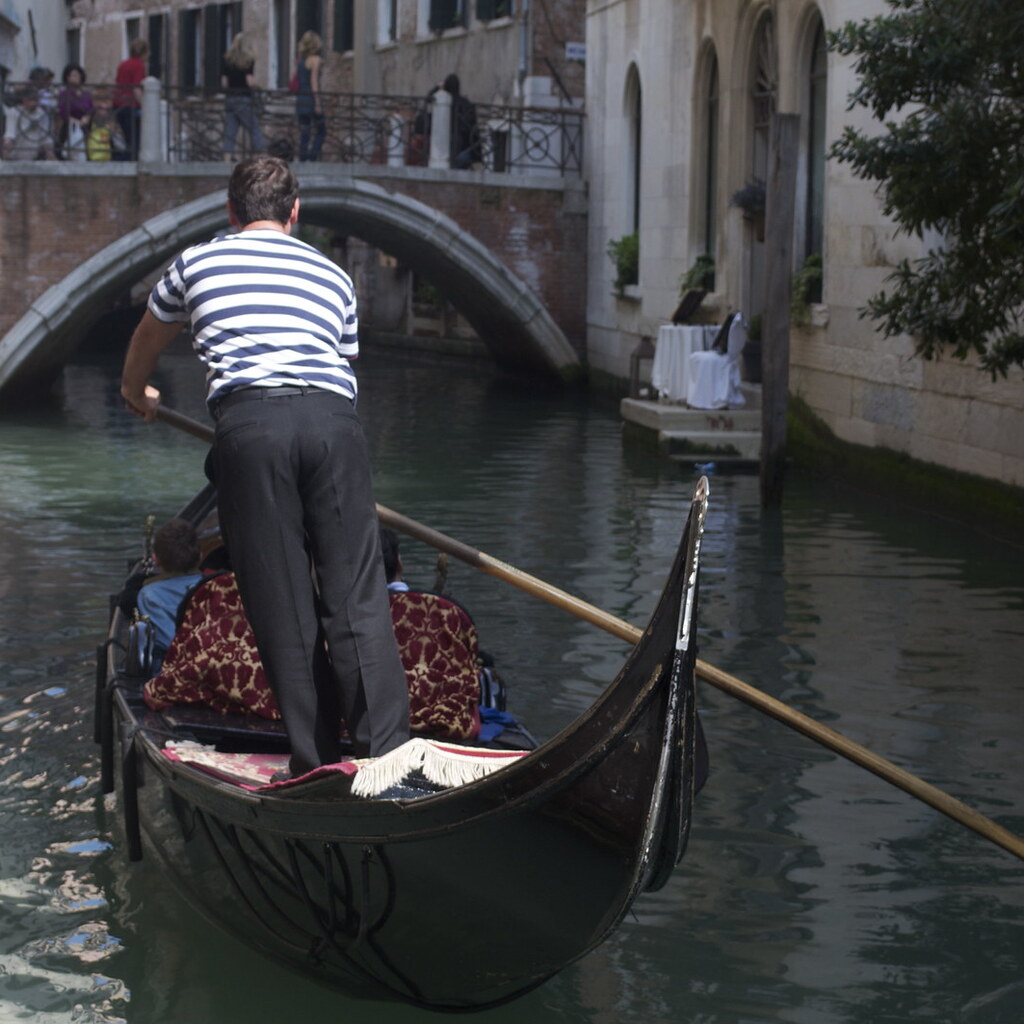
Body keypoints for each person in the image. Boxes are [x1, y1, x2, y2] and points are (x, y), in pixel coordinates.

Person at [120, 155, 410, 776]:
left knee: (281, 601)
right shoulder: (333, 275)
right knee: (356, 598)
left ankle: (315, 766)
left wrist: (134, 391)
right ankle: (388, 760)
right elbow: (342, 363)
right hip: (336, 427)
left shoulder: (196, 262)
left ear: (230, 212)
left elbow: (149, 334)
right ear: (294, 213)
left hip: (251, 428)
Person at [136, 518, 204, 672]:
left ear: (156, 560)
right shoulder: (214, 585)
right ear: (200, 555)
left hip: (174, 673)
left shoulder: (149, 594)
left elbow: (170, 644)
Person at [221, 32, 266, 160]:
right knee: (255, 128)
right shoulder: (248, 60)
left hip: (230, 99)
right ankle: (262, 157)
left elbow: (224, 83)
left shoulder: (227, 59)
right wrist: (259, 86)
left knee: (230, 131)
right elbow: (249, 81)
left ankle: (226, 159)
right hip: (244, 98)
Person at [113, 38, 149, 160]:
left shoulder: (123, 64)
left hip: (118, 105)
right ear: (144, 53)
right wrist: (146, 106)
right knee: (135, 143)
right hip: (130, 106)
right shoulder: (139, 65)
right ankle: (118, 163)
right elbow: (136, 89)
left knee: (129, 140)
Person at [294, 31, 325, 162]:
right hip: (310, 98)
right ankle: (312, 156)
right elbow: (314, 82)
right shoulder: (316, 60)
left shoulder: (300, 61)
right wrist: (318, 102)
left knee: (305, 131)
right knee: (322, 130)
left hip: (301, 98)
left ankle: (302, 158)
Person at [2, 86, 57, 161]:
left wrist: (51, 155)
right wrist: (6, 151)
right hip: (16, 154)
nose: (34, 103)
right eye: (31, 100)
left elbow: (45, 138)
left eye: (36, 100)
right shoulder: (14, 112)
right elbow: (10, 135)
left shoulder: (41, 114)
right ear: (24, 100)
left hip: (35, 156)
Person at [442, 73, 481, 170]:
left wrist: (437, 88)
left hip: (449, 151)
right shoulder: (466, 104)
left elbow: (428, 100)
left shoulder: (444, 104)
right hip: (465, 150)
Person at [56, 63, 93, 161]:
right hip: (69, 127)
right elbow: (63, 112)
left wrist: (87, 117)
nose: (75, 78)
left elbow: (90, 109)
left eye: (77, 75)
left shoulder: (86, 95)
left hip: (84, 127)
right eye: (72, 75)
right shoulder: (64, 94)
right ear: (67, 78)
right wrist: (75, 121)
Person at [85, 92, 127, 161]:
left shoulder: (113, 121)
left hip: (109, 158)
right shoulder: (90, 120)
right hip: (92, 157)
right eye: (100, 100)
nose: (103, 103)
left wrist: (113, 131)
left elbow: (121, 147)